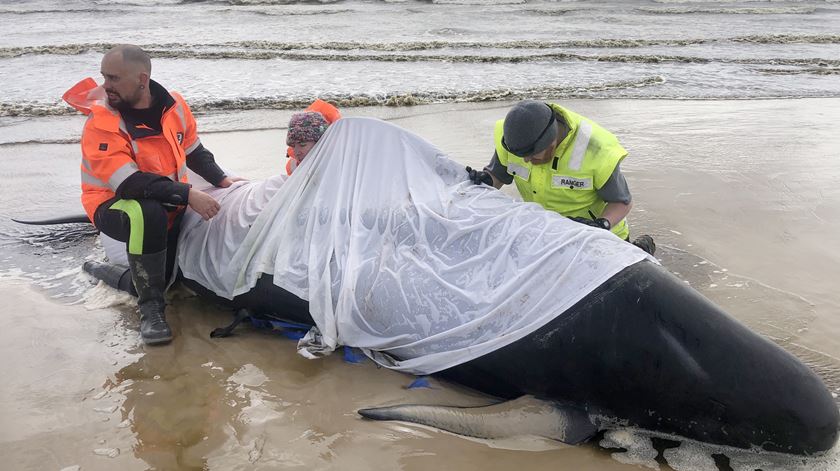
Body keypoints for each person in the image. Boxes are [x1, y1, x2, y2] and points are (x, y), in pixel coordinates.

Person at [63, 44, 243, 345]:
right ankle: (151, 310)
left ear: (142, 79)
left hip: (166, 199)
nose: (105, 86)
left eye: (114, 79)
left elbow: (193, 150)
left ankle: (138, 281)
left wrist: (221, 179)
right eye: (104, 77)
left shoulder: (174, 106)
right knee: (147, 212)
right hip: (114, 204)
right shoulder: (102, 123)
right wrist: (188, 194)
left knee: (168, 277)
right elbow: (129, 183)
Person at [466, 100, 655, 255]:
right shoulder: (515, 138)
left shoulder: (597, 150)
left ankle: (642, 247)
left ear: (553, 141)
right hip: (548, 234)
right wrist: (484, 180)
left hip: (601, 236)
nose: (526, 160)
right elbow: (497, 175)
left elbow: (622, 202)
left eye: (533, 155)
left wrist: (600, 225)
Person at [285, 99, 340, 175]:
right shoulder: (294, 167)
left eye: (302, 144)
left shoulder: (341, 162)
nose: (296, 152)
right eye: (293, 146)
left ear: (320, 142)